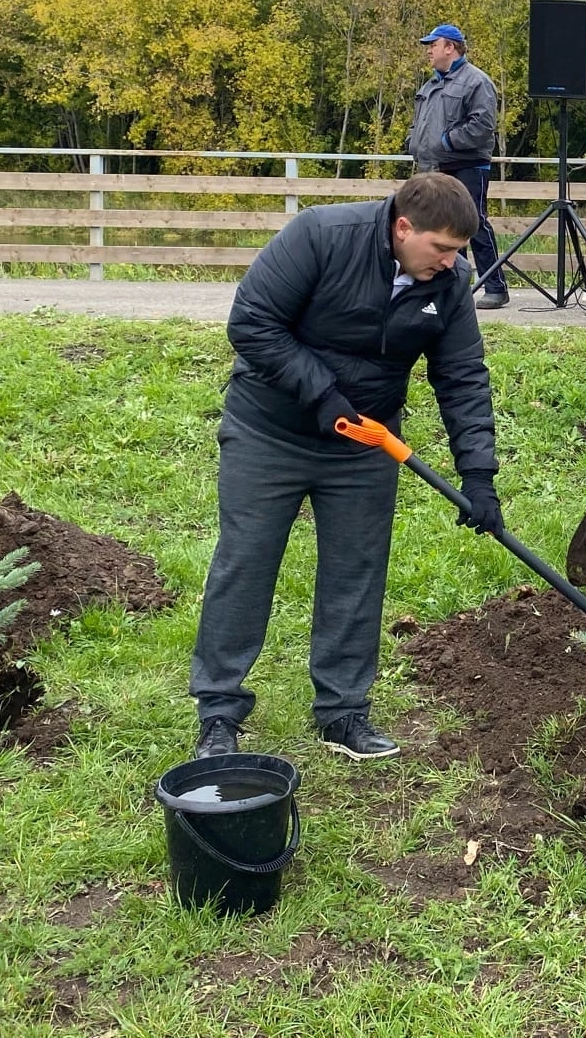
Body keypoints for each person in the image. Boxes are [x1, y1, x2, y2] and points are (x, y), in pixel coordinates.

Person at [188, 172, 503, 761]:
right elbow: (251, 322)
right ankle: (219, 713)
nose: (451, 262)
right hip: (269, 432)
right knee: (246, 563)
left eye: (459, 252)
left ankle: (343, 712)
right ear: (403, 227)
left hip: (364, 445)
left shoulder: (450, 279)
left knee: (355, 573)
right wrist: (322, 393)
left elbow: (461, 375)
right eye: (441, 248)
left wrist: (478, 474)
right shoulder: (322, 235)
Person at [408, 23, 509, 309]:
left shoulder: (477, 81)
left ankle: (496, 287)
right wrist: (413, 140)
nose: (429, 50)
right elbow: (420, 122)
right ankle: (456, 289)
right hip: (433, 167)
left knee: (473, 223)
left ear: (450, 47)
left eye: (433, 45)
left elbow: (482, 126)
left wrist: (446, 142)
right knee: (442, 228)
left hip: (467, 166)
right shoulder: (430, 85)